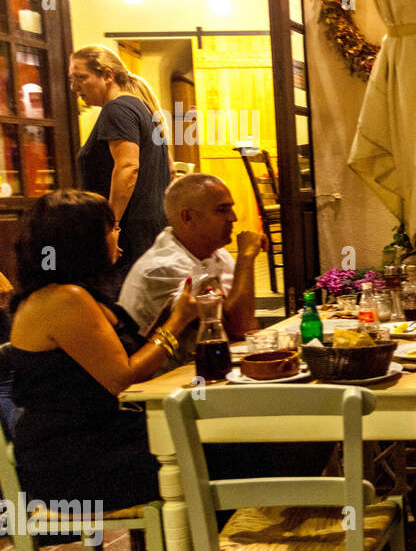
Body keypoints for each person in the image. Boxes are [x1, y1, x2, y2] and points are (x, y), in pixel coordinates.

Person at [4, 190, 198, 512]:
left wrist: (167, 318)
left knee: (213, 443)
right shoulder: (65, 299)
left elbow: (122, 359)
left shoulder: (79, 294)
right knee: (214, 451)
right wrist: (176, 324)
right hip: (73, 461)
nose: (116, 234)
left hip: (101, 439)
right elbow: (121, 378)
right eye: (110, 227)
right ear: (84, 240)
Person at [120, 174, 265, 350]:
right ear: (187, 217)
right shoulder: (162, 268)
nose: (233, 217)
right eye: (222, 210)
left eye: (231, 209)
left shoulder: (218, 254)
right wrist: (246, 257)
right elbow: (239, 327)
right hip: (171, 375)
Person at [68, 46, 172, 288]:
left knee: (124, 310)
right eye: (72, 79)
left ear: (107, 75)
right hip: (146, 227)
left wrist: (112, 226)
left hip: (129, 233)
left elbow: (127, 167)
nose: (74, 87)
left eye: (81, 77)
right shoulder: (139, 107)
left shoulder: (118, 109)